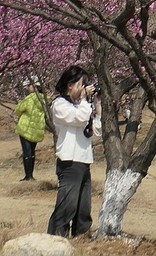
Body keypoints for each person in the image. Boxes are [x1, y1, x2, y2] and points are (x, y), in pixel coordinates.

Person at [46, 66, 101, 238]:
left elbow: (97, 130)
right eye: (81, 84)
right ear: (70, 85)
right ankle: (55, 240)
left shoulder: (82, 106)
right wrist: (85, 102)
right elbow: (78, 118)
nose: (84, 88)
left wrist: (97, 105)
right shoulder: (59, 104)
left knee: (83, 209)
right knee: (66, 207)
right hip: (69, 161)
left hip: (84, 161)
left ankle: (81, 239)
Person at [13, 76, 47, 181]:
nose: (28, 87)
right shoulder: (44, 99)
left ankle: (28, 176)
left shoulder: (29, 98)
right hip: (37, 129)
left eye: (29, 85)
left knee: (27, 152)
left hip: (25, 129)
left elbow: (18, 110)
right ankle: (31, 175)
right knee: (32, 152)